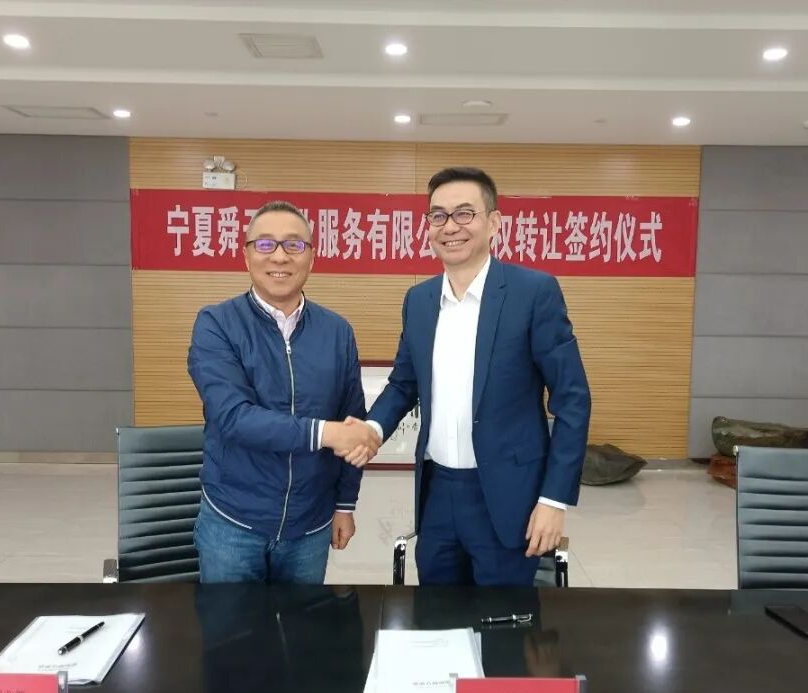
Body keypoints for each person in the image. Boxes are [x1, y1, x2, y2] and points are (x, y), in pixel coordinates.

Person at [359, 167, 591, 586]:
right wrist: (371, 429)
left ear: (494, 223)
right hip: (437, 493)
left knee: (504, 620)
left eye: (465, 213)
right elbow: (404, 384)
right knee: (437, 614)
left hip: (509, 494)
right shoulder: (419, 300)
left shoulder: (533, 293)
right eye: (438, 216)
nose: (450, 227)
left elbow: (572, 399)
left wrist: (554, 498)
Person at [188, 200, 382, 583]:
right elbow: (233, 418)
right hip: (233, 522)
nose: (279, 256)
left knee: (301, 622)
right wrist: (326, 433)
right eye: (265, 244)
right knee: (230, 622)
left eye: (294, 244)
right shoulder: (217, 324)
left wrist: (345, 504)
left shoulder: (337, 332)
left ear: (312, 257)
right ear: (246, 256)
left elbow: (351, 420)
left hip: (310, 525)